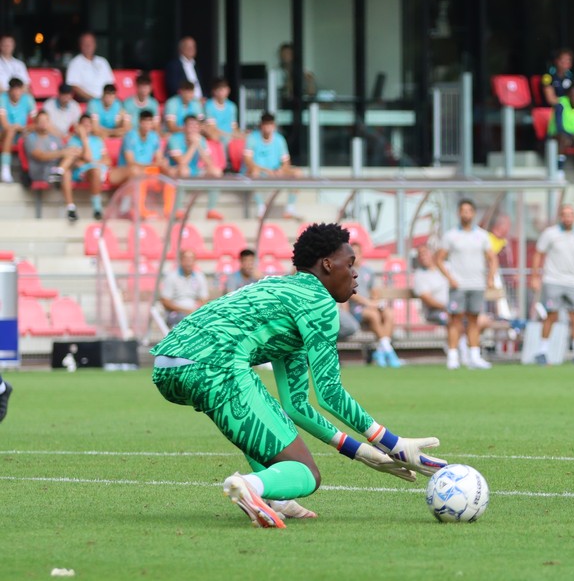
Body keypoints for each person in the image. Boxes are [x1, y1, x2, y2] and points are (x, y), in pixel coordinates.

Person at [151, 224, 445, 528]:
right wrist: (391, 443)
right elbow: (330, 394)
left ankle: (276, 498)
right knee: (307, 473)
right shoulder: (318, 303)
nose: (355, 274)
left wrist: (361, 452)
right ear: (328, 265)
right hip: (215, 365)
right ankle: (252, 487)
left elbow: (296, 406)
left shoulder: (284, 292)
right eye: (351, 264)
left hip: (167, 365)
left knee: (267, 415)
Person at [435, 199, 497, 370]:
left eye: (469, 211)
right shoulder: (451, 235)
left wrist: (490, 277)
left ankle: (474, 356)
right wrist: (450, 278)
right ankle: (453, 356)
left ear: (474, 213)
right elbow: (439, 259)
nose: (466, 214)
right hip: (458, 285)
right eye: (463, 211)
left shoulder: (482, 235)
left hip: (476, 284)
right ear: (458, 213)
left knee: (474, 321)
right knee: (455, 320)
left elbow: (492, 259)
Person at [531, 204, 574, 364]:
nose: (568, 218)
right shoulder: (550, 233)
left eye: (570, 214)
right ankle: (542, 351)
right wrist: (535, 276)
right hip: (553, 280)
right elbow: (539, 253)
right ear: (561, 217)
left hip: (573, 282)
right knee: (551, 315)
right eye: (565, 214)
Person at [343, 242, 403, 368]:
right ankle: (389, 352)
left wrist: (374, 300)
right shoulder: (346, 272)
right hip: (357, 310)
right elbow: (350, 293)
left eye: (357, 253)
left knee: (389, 313)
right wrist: (369, 303)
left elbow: (374, 290)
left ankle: (381, 351)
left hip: (370, 306)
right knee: (374, 315)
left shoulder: (368, 271)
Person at [24, 111, 83, 221]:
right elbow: (40, 156)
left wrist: (73, 155)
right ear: (35, 123)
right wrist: (62, 153)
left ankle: (70, 208)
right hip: (40, 171)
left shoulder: (55, 138)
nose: (43, 123)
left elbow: (64, 154)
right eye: (40, 121)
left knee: (71, 154)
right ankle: (59, 173)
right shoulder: (31, 138)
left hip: (54, 168)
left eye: (46, 121)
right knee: (67, 164)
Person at [243, 112, 302, 218]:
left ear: (274, 126)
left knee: (297, 172)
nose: (267, 127)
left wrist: (281, 169)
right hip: (259, 171)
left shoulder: (279, 140)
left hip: (274, 171)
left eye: (270, 124)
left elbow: (286, 162)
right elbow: (248, 161)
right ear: (261, 125)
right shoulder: (252, 138)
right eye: (265, 124)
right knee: (254, 172)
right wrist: (264, 170)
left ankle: (290, 207)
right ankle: (261, 207)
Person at [66, 114, 112, 220]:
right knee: (95, 171)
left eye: (89, 124)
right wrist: (83, 138)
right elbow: (86, 158)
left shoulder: (98, 140)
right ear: (79, 126)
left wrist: (95, 162)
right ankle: (97, 208)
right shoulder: (73, 141)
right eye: (84, 125)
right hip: (83, 173)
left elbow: (108, 160)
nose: (87, 127)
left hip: (101, 171)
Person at [159, 249, 210, 326]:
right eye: (186, 259)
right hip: (176, 312)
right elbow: (165, 301)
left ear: (194, 261)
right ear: (181, 261)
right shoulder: (171, 277)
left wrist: (198, 307)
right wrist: (184, 310)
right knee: (185, 319)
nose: (188, 262)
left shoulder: (200, 277)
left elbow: (204, 298)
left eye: (191, 259)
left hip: (194, 311)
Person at [0, 77, 37, 183]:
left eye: (18, 89)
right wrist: (14, 128)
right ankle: (5, 170)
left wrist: (22, 128)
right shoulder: (2, 98)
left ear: (22, 89)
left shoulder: (28, 99)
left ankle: (34, 172)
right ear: (9, 90)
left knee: (33, 134)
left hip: (21, 132)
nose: (16, 92)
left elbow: (36, 122)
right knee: (10, 131)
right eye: (14, 89)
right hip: (3, 133)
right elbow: (5, 124)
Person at [65, 32, 114, 102]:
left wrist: (107, 99)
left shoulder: (103, 62)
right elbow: (73, 86)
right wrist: (94, 100)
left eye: (91, 42)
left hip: (107, 101)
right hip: (87, 102)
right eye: (85, 43)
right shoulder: (75, 63)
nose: (88, 45)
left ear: (95, 44)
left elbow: (110, 84)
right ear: (80, 45)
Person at [119, 110, 167, 179]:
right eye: (145, 122)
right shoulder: (129, 136)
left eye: (149, 123)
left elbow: (159, 158)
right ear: (139, 122)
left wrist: (161, 162)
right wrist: (151, 165)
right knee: (135, 170)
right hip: (130, 170)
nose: (147, 125)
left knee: (165, 166)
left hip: (147, 169)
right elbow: (130, 162)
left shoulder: (154, 137)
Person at [204, 77, 240, 144]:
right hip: (217, 139)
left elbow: (234, 127)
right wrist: (228, 136)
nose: (222, 92)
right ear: (214, 91)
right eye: (219, 89)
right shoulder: (209, 105)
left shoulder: (232, 106)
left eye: (224, 89)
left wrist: (238, 135)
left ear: (228, 90)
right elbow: (212, 129)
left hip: (231, 138)